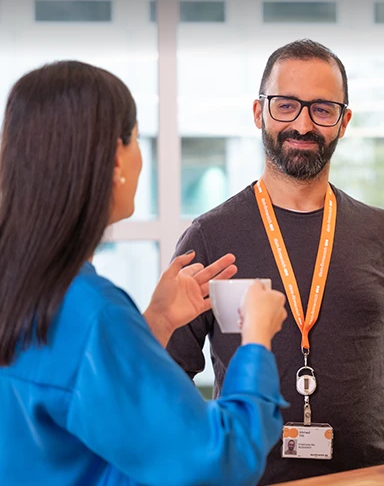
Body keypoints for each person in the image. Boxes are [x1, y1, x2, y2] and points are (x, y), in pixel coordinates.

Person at [0, 60, 288, 486]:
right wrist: (257, 341)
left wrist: (152, 323)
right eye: (135, 139)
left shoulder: (26, 288)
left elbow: (84, 420)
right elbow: (219, 460)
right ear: (116, 156)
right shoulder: (92, 312)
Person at [167, 38, 384, 485]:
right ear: (258, 112)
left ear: (343, 122)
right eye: (286, 105)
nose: (302, 124)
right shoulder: (209, 237)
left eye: (322, 110)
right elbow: (167, 378)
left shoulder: (378, 233)